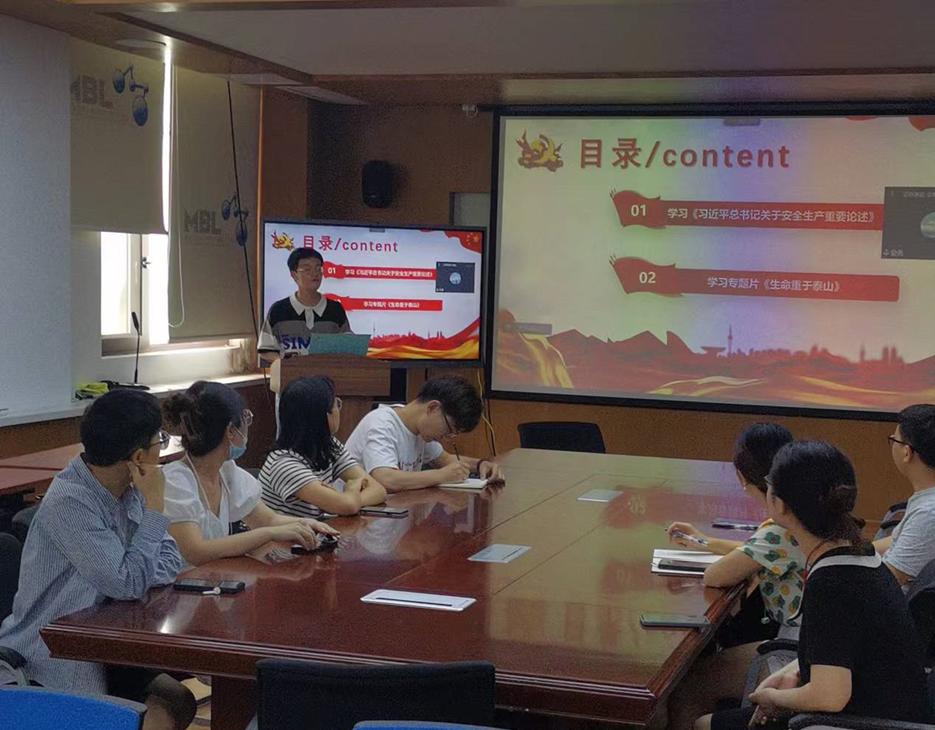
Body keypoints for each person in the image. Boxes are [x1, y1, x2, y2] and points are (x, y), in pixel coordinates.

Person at [700, 441, 931, 730]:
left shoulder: (831, 582)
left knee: (702, 721)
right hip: (878, 709)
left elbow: (830, 696)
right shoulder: (857, 553)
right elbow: (840, 646)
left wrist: (773, 698)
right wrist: (793, 669)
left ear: (779, 504)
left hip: (854, 721)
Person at [0, 389, 195, 730]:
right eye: (159, 440)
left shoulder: (129, 489)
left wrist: (135, 569)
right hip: (53, 653)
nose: (161, 449)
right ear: (138, 457)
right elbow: (128, 582)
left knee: (179, 700)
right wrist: (155, 510)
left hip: (107, 640)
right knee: (159, 716)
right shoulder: (70, 502)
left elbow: (168, 561)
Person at [665, 424, 803, 730]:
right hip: (808, 643)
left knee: (688, 684)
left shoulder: (780, 528)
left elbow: (716, 575)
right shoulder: (802, 511)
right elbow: (756, 551)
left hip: (793, 651)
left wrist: (712, 550)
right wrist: (703, 541)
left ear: (741, 476)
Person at [161, 381, 338, 567]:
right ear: (231, 430)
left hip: (214, 577)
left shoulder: (226, 472)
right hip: (180, 583)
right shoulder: (175, 481)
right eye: (245, 419)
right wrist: (269, 534)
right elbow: (196, 552)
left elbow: (268, 519)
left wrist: (306, 523)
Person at [345, 375, 504, 492]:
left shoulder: (419, 430)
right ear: (433, 408)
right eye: (448, 430)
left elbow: (445, 459)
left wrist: (480, 465)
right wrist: (441, 476)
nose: (445, 438)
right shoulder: (381, 424)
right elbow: (386, 479)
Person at [260, 375, 387, 517]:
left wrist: (347, 500)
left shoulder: (327, 445)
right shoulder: (284, 465)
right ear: (322, 416)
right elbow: (347, 506)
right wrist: (350, 492)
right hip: (288, 532)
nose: (339, 409)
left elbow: (378, 490)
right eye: (336, 404)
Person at [873, 404, 935, 588]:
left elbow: (886, 582)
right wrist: (850, 553)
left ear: (907, 452)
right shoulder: (926, 501)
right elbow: (899, 540)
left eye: (894, 440)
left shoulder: (928, 513)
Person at [257, 248, 350, 363]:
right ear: (294, 274)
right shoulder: (278, 310)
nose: (315, 273)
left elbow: (348, 346)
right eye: (307, 269)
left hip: (327, 373)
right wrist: (285, 363)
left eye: (318, 268)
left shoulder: (335, 309)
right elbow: (266, 349)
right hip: (291, 374)